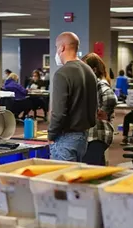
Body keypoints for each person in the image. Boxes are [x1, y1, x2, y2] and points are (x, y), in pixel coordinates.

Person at [48, 32, 97, 162]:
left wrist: (51, 134)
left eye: (56, 47)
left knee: (62, 180)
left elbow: (59, 112)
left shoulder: (62, 73)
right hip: (83, 136)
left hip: (66, 138)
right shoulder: (88, 70)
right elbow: (94, 104)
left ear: (62, 48)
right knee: (75, 178)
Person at [81, 53, 116, 164]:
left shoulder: (98, 83)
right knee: (97, 168)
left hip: (97, 134)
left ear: (94, 70)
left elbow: (111, 98)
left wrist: (103, 112)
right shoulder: (95, 82)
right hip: (96, 134)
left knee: (89, 168)